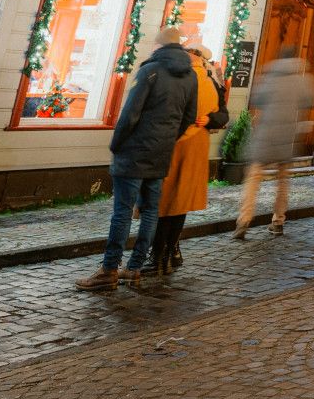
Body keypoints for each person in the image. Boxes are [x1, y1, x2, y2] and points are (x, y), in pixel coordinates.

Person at [77, 27, 197, 290]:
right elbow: (189, 117)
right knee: (151, 211)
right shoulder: (191, 76)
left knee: (122, 211)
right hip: (161, 154)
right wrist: (168, 139)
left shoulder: (150, 71)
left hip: (134, 152)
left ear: (159, 46)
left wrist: (116, 144)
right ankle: (134, 268)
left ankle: (109, 269)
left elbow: (130, 114)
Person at [147, 43, 227, 276]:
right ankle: (171, 252)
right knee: (179, 202)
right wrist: (210, 119)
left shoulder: (181, 78)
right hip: (196, 146)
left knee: (164, 202)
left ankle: (159, 255)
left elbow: (215, 114)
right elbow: (222, 113)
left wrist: (208, 119)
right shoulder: (210, 81)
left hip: (175, 144)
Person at [235, 46, 312, 238]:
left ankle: (244, 220)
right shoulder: (301, 79)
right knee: (282, 181)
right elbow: (310, 100)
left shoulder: (269, 76)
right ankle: (278, 221)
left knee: (253, 178)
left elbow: (256, 99)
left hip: (265, 136)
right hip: (286, 137)